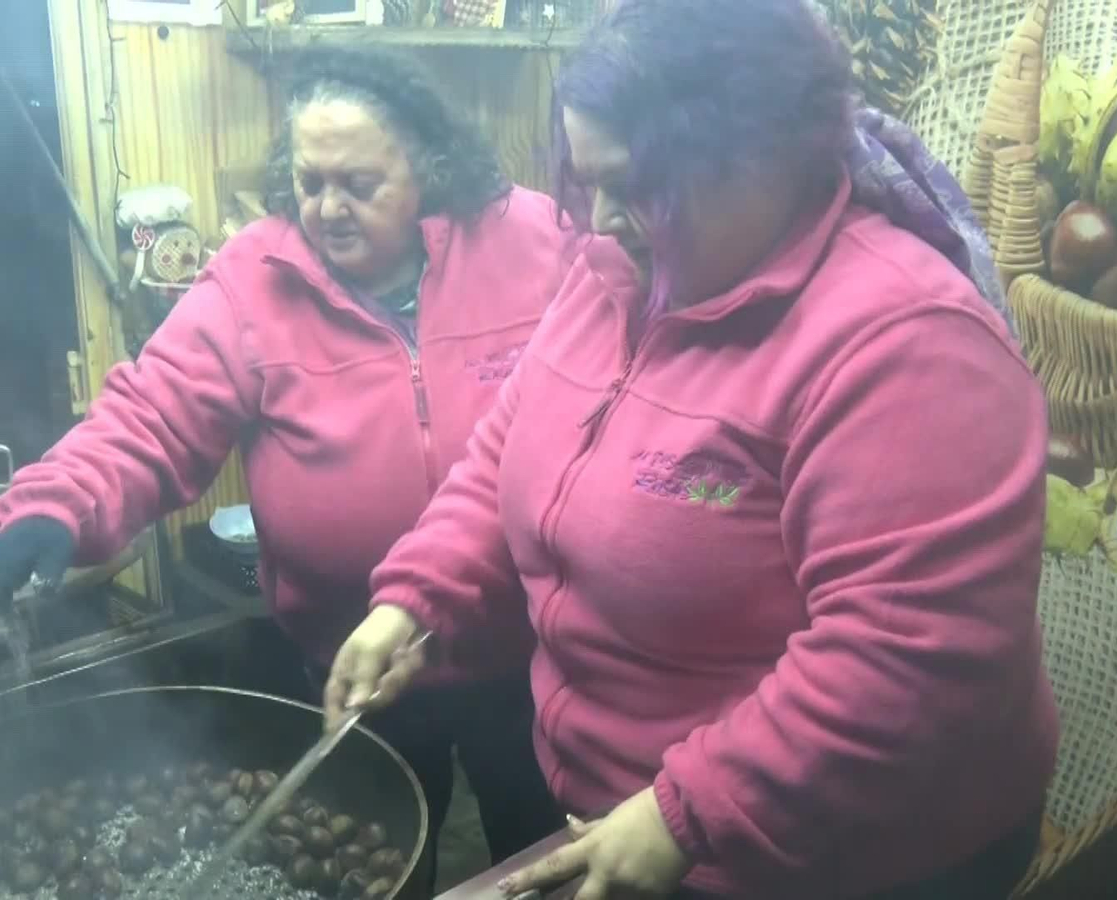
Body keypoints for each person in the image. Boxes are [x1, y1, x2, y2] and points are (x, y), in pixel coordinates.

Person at [326, 2, 1058, 898]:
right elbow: (503, 457)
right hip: (631, 818)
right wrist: (416, 597)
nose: (602, 219)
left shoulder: (909, 345)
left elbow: (908, 658)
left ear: (761, 155)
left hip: (842, 862)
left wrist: (686, 810)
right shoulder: (619, 277)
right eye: (586, 180)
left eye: (634, 185)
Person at [0, 44, 570, 889]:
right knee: (388, 863)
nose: (328, 208)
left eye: (359, 183)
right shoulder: (254, 279)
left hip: (532, 653)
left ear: (428, 167)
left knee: (545, 863)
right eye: (310, 181)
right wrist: (57, 504)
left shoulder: (532, 241)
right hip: (356, 667)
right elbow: (152, 414)